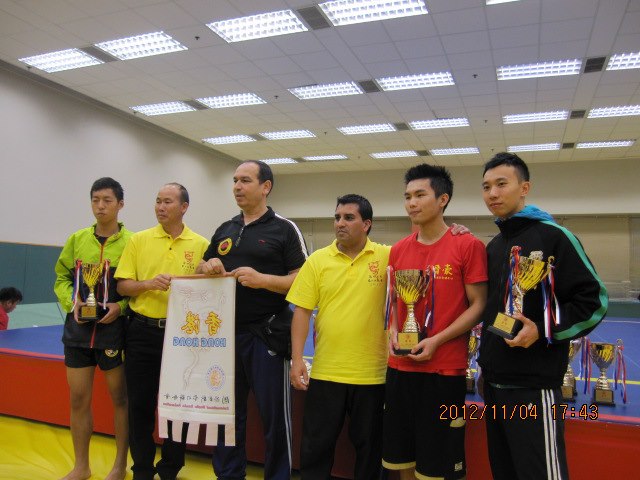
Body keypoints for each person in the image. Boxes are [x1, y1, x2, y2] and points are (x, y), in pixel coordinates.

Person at [478, 152, 607, 480]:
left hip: (533, 389)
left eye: (501, 184)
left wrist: (544, 330)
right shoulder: (494, 246)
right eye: (486, 187)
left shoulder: (555, 237)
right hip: (493, 385)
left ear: (524, 188)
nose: (493, 193)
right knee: (505, 472)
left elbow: (594, 302)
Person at [197, 160, 307, 480]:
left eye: (245, 180)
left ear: (265, 187)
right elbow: (200, 268)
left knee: (275, 420)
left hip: (266, 335)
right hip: (224, 337)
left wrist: (263, 280)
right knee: (227, 416)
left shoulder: (284, 229)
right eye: (235, 180)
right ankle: (229, 475)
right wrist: (208, 266)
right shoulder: (225, 229)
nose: (237, 186)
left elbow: (303, 281)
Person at [383, 164, 488, 480]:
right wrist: (393, 333)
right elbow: (394, 304)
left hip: (443, 370)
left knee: (438, 463)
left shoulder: (467, 245)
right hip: (400, 368)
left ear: (443, 199)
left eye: (420, 195)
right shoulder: (399, 249)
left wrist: (437, 340)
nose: (411, 203)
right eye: (407, 196)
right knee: (402, 459)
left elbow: (479, 305)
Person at [287, 194, 389, 480]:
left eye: (349, 218)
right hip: (326, 372)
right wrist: (297, 360)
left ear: (366, 224)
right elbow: (301, 312)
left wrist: (455, 230)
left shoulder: (386, 256)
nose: (340, 223)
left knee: (370, 450)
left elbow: (424, 247)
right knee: (315, 448)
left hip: (372, 375)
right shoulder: (318, 260)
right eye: (337, 217)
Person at [115, 183, 208, 480]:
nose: (160, 207)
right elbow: (122, 286)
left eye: (168, 201)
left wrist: (210, 271)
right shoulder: (138, 240)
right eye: (157, 201)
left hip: (182, 338)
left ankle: (170, 468)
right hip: (141, 333)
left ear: (184, 207)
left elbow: (209, 290)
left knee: (178, 407)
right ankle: (141, 469)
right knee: (139, 405)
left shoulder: (201, 244)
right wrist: (147, 284)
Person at [53, 177, 133, 480]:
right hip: (77, 331)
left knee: (120, 399)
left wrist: (120, 307)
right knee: (77, 399)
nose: (100, 206)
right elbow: (61, 278)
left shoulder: (133, 243)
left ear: (120, 204)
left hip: (114, 332)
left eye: (107, 200)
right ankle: (81, 466)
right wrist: (71, 302)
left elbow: (135, 287)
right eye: (95, 200)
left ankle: (119, 465)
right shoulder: (77, 239)